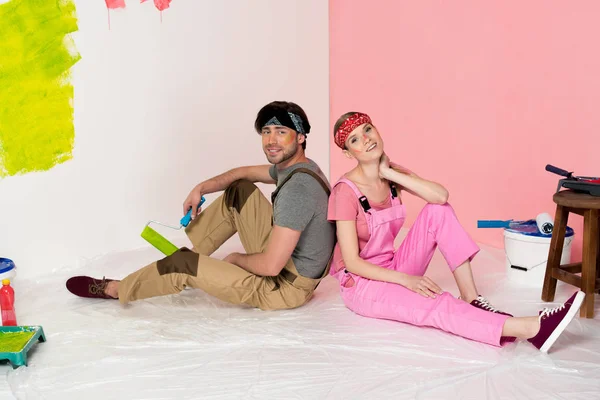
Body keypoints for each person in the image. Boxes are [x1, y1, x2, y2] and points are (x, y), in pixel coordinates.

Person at [327, 111, 585, 352]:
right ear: (349, 153)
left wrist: (387, 172)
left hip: (393, 266)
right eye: (355, 139)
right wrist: (407, 281)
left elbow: (440, 197)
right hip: (363, 283)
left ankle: (471, 297)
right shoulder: (345, 192)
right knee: (432, 301)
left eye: (368, 129)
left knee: (439, 211)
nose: (367, 140)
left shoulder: (392, 173)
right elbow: (353, 263)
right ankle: (531, 328)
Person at [66, 101, 336, 311]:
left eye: (281, 132)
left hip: (282, 287)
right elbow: (242, 173)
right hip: (290, 267)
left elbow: (270, 266)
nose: (271, 140)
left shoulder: (298, 190)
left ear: (300, 137)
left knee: (183, 264)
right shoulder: (297, 168)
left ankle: (118, 288)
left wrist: (234, 260)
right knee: (239, 191)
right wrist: (201, 188)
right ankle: (196, 255)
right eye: (266, 132)